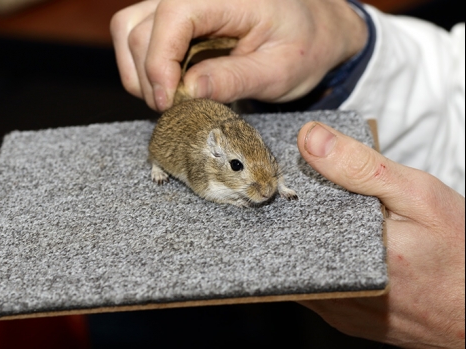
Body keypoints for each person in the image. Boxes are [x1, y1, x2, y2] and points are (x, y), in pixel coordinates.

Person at [110, 0, 465, 348]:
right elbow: (451, 84)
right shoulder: (206, 162)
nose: (265, 190)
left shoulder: (243, 149)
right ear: (214, 151)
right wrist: (348, 37)